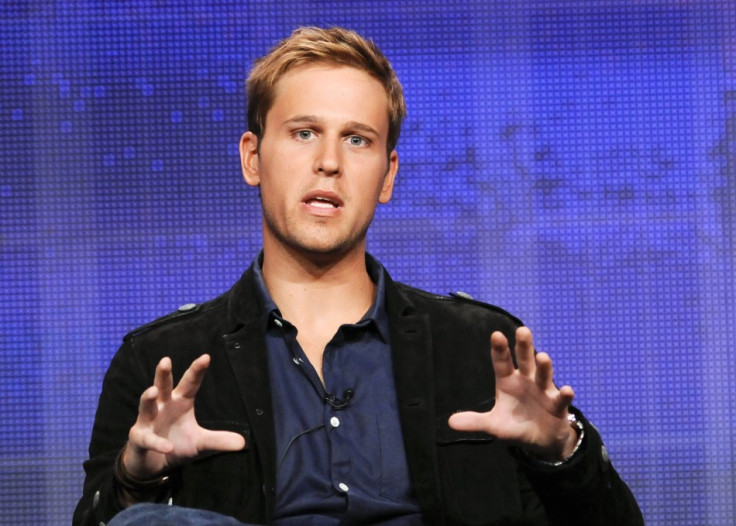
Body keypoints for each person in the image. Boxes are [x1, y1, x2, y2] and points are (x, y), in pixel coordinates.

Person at [74, 26, 644, 526]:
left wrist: (562, 452)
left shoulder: (479, 349)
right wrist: (136, 478)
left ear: (387, 175)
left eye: (357, 139)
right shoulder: (161, 362)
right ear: (253, 157)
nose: (329, 161)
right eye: (303, 133)